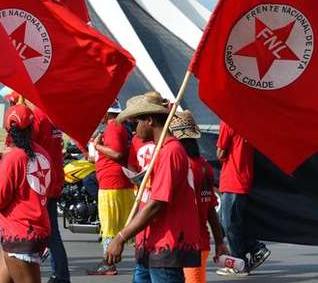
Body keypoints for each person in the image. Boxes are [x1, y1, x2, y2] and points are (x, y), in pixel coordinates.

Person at [105, 96, 201, 283]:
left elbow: (157, 203)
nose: (134, 129)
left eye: (137, 122)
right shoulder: (161, 150)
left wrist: (121, 237)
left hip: (165, 244)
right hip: (150, 244)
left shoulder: (170, 151)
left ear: (150, 120)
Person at [0, 104, 51, 283]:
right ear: (32, 127)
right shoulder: (43, 154)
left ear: (8, 130)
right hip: (34, 231)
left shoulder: (12, 159)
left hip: (19, 234)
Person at [169, 111, 227, 283]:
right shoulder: (204, 167)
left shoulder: (175, 165)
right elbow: (210, 209)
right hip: (198, 243)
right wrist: (219, 242)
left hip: (173, 243)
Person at [24, 99, 70, 283]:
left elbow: (25, 148)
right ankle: (58, 274)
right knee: (49, 233)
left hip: (40, 182)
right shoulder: (52, 117)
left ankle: (59, 275)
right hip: (51, 179)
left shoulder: (37, 119)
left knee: (41, 233)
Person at [88, 100, 135, 277]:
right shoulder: (120, 126)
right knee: (123, 224)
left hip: (111, 185)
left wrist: (97, 145)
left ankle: (108, 263)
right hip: (117, 183)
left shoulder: (112, 127)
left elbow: (117, 153)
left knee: (108, 225)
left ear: (107, 113)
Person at [216, 121, 270, 276]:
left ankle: (240, 261)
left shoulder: (227, 122)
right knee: (232, 221)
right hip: (244, 178)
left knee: (229, 223)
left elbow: (220, 152)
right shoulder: (248, 122)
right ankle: (255, 249)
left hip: (232, 179)